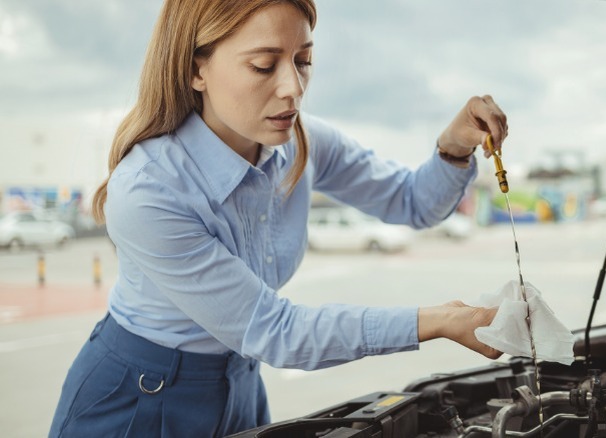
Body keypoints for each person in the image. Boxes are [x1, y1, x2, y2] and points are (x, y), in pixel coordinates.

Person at [49, 0, 510, 436]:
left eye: (303, 60)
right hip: (137, 400)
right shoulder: (148, 190)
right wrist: (440, 320)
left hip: (241, 384)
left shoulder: (302, 143)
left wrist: (453, 148)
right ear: (195, 69)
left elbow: (413, 201)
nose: (293, 88)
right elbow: (275, 331)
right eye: (264, 65)